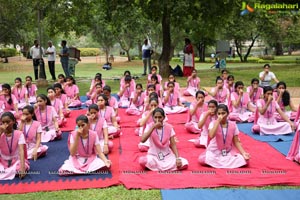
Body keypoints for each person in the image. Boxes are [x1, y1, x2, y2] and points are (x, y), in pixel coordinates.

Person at [199, 104, 250, 168]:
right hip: (214, 151)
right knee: (202, 160)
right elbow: (211, 135)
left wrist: (243, 153)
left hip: (227, 152)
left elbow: (236, 141)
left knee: (245, 160)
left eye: (223, 113)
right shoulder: (213, 123)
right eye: (219, 113)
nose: (221, 115)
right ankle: (222, 163)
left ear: (228, 113)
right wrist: (218, 121)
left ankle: (220, 163)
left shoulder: (233, 125)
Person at [0, 112, 29, 180]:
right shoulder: (1, 133)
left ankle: (8, 172)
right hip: (3, 161)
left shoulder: (19, 134)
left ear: (13, 121)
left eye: (8, 122)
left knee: (22, 167)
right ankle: (8, 172)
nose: (5, 124)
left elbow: (21, 151)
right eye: (3, 122)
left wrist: (22, 168)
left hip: (16, 160)